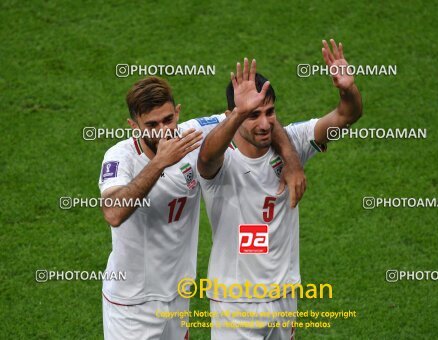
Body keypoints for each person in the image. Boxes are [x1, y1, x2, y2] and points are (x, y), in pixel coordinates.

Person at [98, 76, 306, 339]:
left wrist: (292, 161)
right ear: (133, 126)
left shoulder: (193, 134)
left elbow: (255, 117)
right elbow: (113, 213)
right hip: (131, 304)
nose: (163, 130)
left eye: (168, 120)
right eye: (151, 125)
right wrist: (159, 163)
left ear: (177, 112)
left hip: (177, 296)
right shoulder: (121, 157)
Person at [197, 39, 363, 340]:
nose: (263, 123)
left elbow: (345, 116)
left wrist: (347, 89)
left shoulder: (294, 142)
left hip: (285, 295)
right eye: (252, 115)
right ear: (233, 114)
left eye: (269, 112)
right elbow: (206, 159)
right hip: (235, 302)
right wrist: (237, 114)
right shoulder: (222, 159)